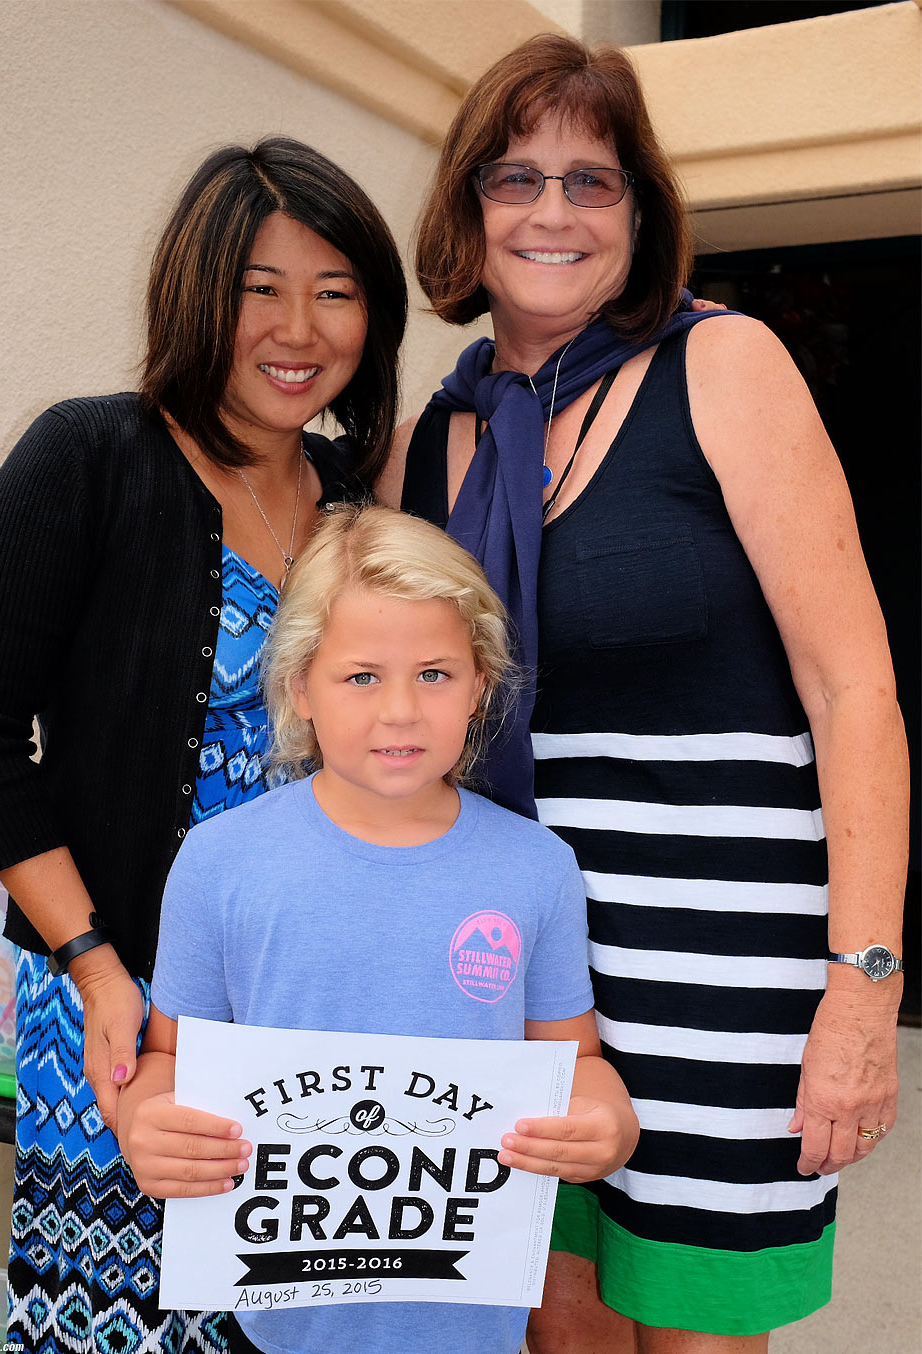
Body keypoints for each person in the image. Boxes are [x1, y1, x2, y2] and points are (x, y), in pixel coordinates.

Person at [379, 34, 909, 1353]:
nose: (552, 211)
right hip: (508, 972)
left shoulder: (722, 367)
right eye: (516, 178)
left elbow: (854, 688)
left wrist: (862, 987)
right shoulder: (422, 448)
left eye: (592, 181)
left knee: (697, 1331)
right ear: (467, 210)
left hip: (721, 975)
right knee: (553, 1328)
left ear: (641, 211)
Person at [0, 138, 407, 1354]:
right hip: (117, 1002)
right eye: (260, 286)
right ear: (199, 292)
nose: (300, 326)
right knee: (123, 1321)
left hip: (309, 1012)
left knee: (293, 1317)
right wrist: (92, 964)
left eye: (336, 291)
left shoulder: (355, 502)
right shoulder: (88, 456)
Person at [116, 502, 640, 1354]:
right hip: (277, 1322)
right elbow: (171, 1060)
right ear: (297, 689)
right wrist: (147, 1117)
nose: (400, 710)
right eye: (362, 676)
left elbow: (575, 1064)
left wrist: (607, 1120)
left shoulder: (534, 868)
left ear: (479, 684)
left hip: (473, 1320)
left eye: (433, 674)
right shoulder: (220, 863)